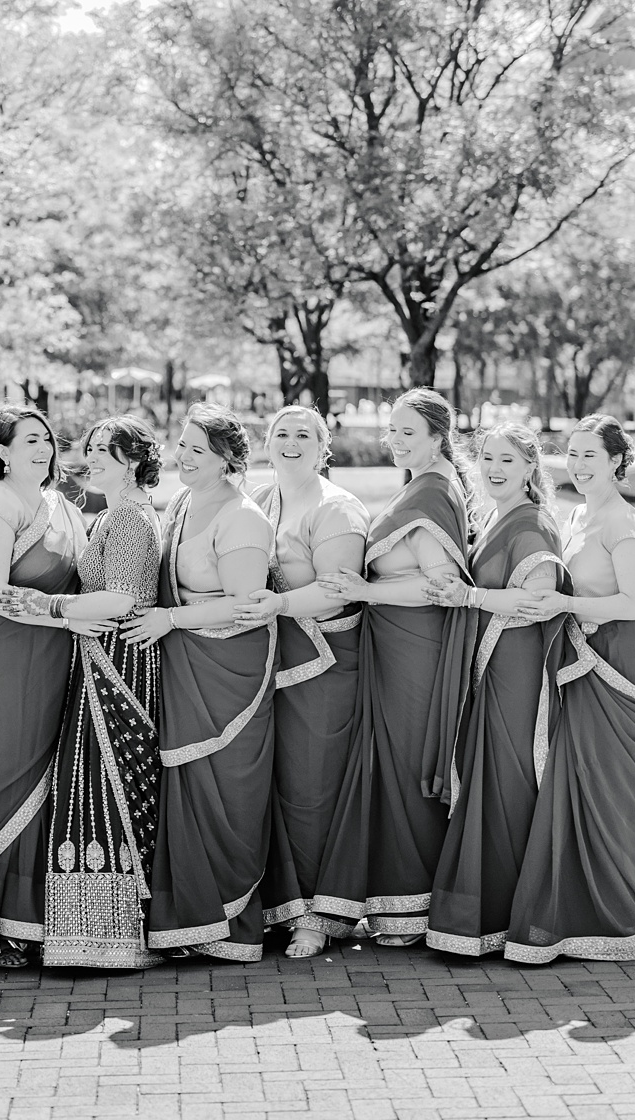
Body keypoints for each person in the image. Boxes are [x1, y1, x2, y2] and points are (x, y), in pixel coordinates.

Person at [307, 388, 474, 944]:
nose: (395, 441)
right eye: (391, 431)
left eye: (408, 432)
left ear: (437, 436)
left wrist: (363, 591)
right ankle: (394, 904)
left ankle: (413, 908)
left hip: (415, 649)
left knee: (409, 771)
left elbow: (440, 588)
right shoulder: (425, 485)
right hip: (395, 645)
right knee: (391, 768)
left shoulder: (432, 493)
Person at [503, 414, 635, 964]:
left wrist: (566, 605)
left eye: (589, 456)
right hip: (580, 662)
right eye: (571, 455)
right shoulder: (576, 513)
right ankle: (576, 912)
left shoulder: (622, 522)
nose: (577, 465)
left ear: (618, 461)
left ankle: (625, 917)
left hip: (618, 663)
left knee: (617, 793)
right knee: (578, 784)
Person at [136, 403, 279, 962]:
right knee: (185, 788)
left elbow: (245, 606)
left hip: (230, 671)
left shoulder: (242, 517)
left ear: (226, 460)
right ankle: (186, 920)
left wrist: (169, 620)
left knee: (227, 792)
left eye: (197, 449)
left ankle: (229, 922)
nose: (183, 456)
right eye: (182, 445)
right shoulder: (180, 504)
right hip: (183, 663)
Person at [423, 419, 565, 955]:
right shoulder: (492, 515)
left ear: (531, 467)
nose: (494, 470)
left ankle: (511, 913)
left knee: (506, 775)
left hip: (515, 664)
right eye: (487, 459)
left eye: (508, 460)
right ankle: (484, 912)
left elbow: (536, 600)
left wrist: (468, 598)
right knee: (484, 773)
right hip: (490, 661)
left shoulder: (531, 524)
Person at [34, 416, 167, 969]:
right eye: (88, 450)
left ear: (133, 460)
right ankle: (95, 931)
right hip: (103, 654)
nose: (92, 460)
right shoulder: (115, 511)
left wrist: (46, 607)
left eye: (105, 452)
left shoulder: (132, 517)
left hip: (120, 659)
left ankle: (117, 934)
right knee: (93, 778)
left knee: (107, 780)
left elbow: (119, 599)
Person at [0, 406, 84, 967]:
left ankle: (37, 915)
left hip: (57, 653)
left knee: (49, 776)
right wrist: (67, 617)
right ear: (2, 452)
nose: (42, 448)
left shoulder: (62, 503)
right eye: (28, 440)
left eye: (47, 439)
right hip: (3, 657)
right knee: (4, 777)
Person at [246, 404, 370, 958]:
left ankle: (323, 915)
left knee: (312, 785)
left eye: (304, 435)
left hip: (326, 662)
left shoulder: (336, 508)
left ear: (324, 448)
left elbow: (339, 588)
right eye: (281, 434)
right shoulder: (261, 500)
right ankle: (281, 905)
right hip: (272, 662)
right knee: (274, 784)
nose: (291, 442)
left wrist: (276, 602)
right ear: (265, 443)